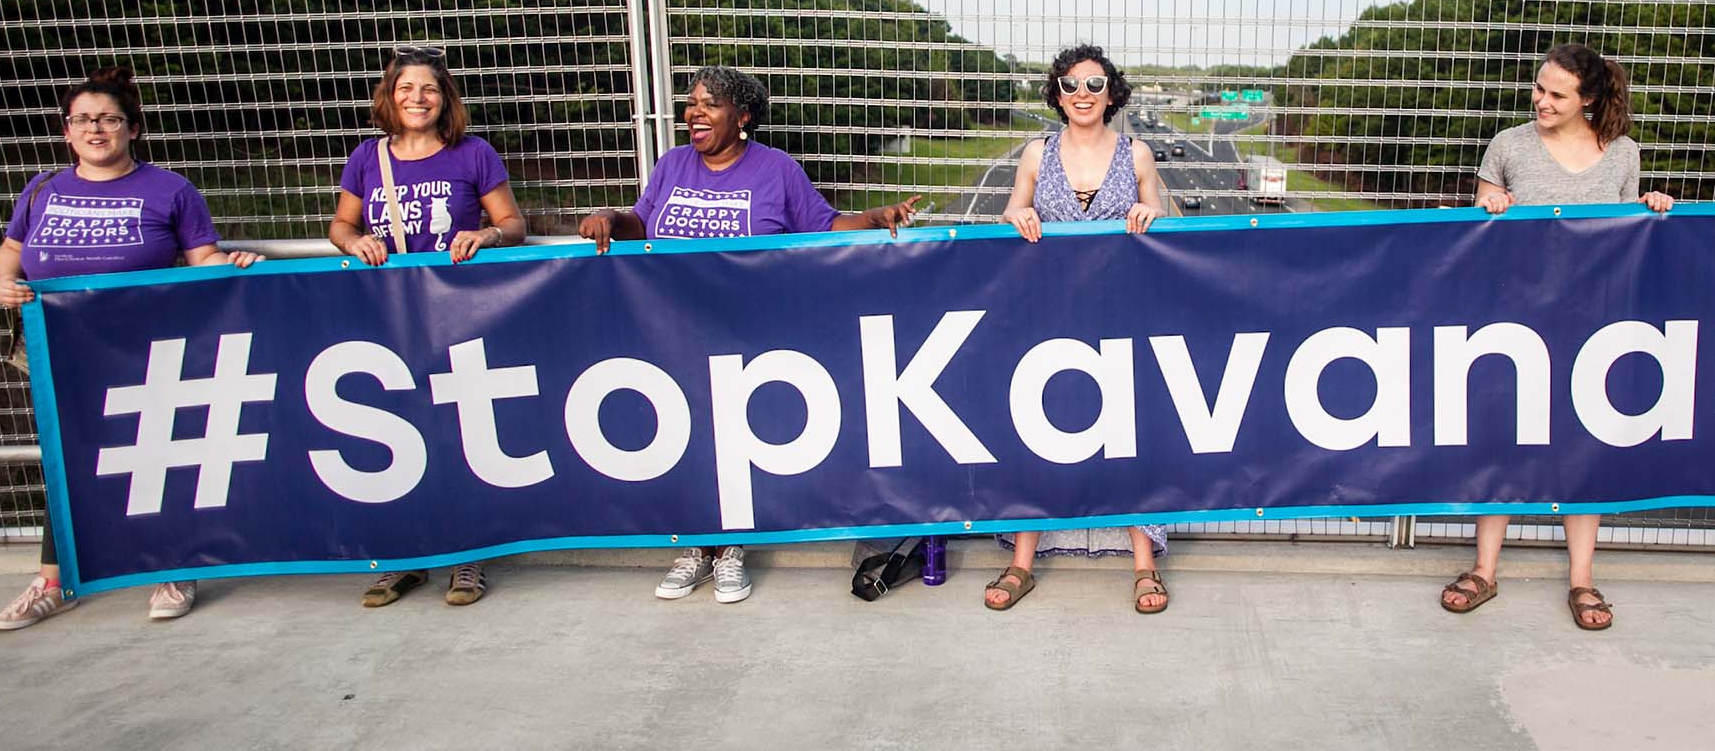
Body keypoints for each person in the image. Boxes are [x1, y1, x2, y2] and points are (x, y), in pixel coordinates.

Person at [578, 65, 919, 605]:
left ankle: (732, 546)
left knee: (732, 442)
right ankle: (694, 546)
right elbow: (640, 223)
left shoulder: (777, 170)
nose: (694, 113)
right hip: (671, 329)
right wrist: (609, 217)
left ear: (742, 118)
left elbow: (823, 226)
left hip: (748, 334)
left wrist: (878, 217)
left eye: (709, 104)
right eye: (691, 103)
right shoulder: (671, 166)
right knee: (684, 440)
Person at [0, 68, 262, 630]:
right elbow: (10, 253)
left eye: (109, 119)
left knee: (157, 454)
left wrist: (233, 264)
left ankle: (172, 563)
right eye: (83, 119)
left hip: (145, 348)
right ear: (66, 131)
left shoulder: (169, 190)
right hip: (60, 350)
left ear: (132, 129)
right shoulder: (43, 188)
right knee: (68, 461)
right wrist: (3, 284)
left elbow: (202, 260)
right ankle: (54, 580)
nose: (95, 129)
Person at [1439, 42, 1673, 631]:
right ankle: (1484, 570)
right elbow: (1480, 221)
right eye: (1539, 88)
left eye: (1556, 94)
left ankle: (1583, 580)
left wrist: (1651, 207)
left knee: (1583, 446)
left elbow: (1627, 238)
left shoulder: (1622, 154)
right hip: (1513, 320)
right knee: (1504, 442)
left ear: (1587, 99)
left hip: (1591, 323)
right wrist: (1490, 202)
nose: (1541, 100)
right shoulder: (1509, 145)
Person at [329, 45, 527, 608]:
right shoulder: (368, 159)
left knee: (456, 435)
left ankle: (467, 556)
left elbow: (512, 222)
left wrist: (485, 236)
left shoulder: (473, 154)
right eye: (406, 89)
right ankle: (406, 557)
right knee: (397, 436)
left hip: (458, 315)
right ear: (389, 98)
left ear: (446, 100)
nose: (418, 98)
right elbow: (340, 224)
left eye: (430, 89)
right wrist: (354, 241)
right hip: (390, 317)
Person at [986, 43, 1171, 614]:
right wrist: (1017, 214)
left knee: (1131, 429)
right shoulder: (1036, 153)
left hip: (1122, 314)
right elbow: (1009, 213)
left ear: (1112, 93)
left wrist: (1152, 214)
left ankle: (1145, 567)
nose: (1082, 95)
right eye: (1070, 86)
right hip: (1049, 314)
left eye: (1094, 85)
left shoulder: (1137, 153)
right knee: (1039, 427)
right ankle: (1022, 562)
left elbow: (1161, 214)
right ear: (1057, 95)